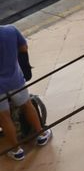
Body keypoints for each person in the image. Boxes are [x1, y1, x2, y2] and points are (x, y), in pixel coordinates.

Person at [0, 24, 51, 160]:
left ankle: (17, 150)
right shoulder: (11, 30)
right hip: (15, 79)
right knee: (27, 105)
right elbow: (23, 48)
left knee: (4, 118)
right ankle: (41, 135)